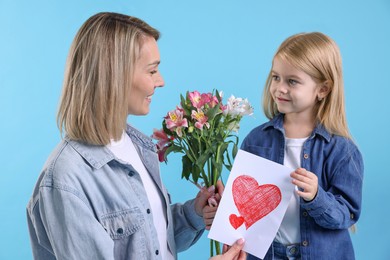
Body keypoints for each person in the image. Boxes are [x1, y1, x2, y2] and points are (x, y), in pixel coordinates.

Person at [26, 12, 223, 260]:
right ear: (115, 76)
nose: (161, 81)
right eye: (152, 71)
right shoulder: (65, 180)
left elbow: (148, 241)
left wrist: (194, 213)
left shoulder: (139, 147)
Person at [241, 32, 363, 260]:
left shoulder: (342, 150)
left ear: (323, 89)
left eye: (292, 81)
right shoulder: (256, 140)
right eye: (276, 77)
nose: (280, 88)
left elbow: (346, 214)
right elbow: (243, 204)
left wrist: (316, 196)